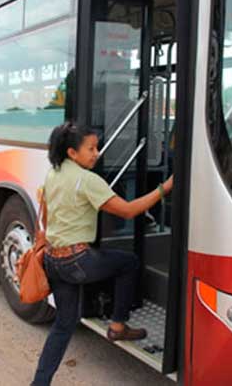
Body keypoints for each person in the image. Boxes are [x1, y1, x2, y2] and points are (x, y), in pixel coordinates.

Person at [32, 122, 173, 386]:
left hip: (53, 259)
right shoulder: (87, 180)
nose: (97, 153)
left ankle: (39, 383)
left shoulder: (55, 172)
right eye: (91, 148)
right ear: (73, 152)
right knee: (128, 263)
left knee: (63, 325)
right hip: (77, 262)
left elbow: (49, 214)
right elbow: (129, 211)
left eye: (96, 146)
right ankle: (118, 325)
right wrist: (164, 188)